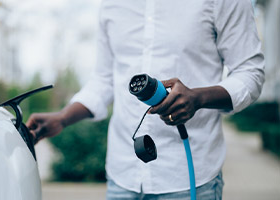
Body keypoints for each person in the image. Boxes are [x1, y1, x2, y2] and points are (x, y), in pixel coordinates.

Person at [26, 0, 264, 199]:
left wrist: (198, 98)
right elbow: (104, 79)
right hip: (122, 176)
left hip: (189, 178)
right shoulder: (112, 5)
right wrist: (63, 118)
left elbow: (250, 73)